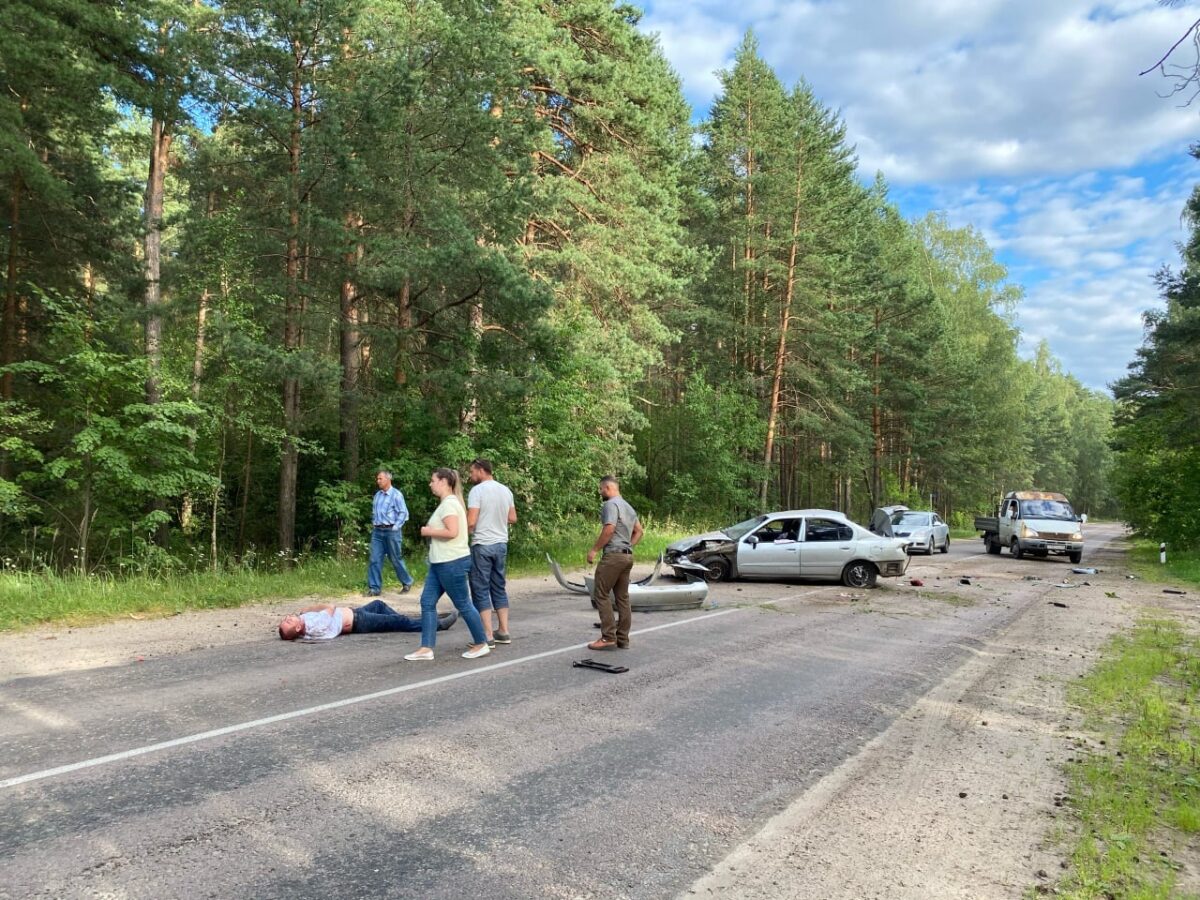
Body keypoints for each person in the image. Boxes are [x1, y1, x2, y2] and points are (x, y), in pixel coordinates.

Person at [404, 467, 492, 661]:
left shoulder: (450, 504)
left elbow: (452, 532)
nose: (430, 484)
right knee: (427, 602)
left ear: (443, 482)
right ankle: (426, 648)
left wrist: (428, 531)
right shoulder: (447, 503)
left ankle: (481, 642)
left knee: (463, 604)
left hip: (452, 562)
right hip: (439, 563)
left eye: (433, 480)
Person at [585, 475, 643, 651]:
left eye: (601, 489)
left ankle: (608, 637)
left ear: (608, 488)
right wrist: (627, 547)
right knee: (622, 598)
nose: (600, 492)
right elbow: (639, 531)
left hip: (613, 557)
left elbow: (609, 529)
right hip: (627, 557)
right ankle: (622, 639)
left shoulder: (610, 504)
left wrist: (594, 550)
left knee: (601, 594)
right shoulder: (628, 507)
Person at [467, 458, 517, 645]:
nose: (471, 476)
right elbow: (512, 517)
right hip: (501, 543)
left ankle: (487, 634)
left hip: (482, 544)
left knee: (480, 588)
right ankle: (503, 630)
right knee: (498, 586)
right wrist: (496, 518)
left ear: (481, 470)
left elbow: (471, 521)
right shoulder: (505, 490)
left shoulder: (476, 491)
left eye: (472, 472)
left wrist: (465, 532)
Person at [278, 600, 458, 641]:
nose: (287, 618)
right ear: (298, 627)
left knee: (380, 605)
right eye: (288, 622)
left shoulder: (303, 622)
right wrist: (314, 608)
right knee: (398, 621)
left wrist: (304, 612)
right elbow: (330, 608)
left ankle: (407, 622)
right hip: (359, 621)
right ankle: (437, 625)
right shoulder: (313, 626)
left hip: (356, 613)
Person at [367, 469, 414, 596]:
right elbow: (375, 513)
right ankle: (374, 588)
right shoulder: (377, 495)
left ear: (388, 479)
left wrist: (396, 527)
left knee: (395, 559)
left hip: (391, 531)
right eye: (377, 479)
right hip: (377, 531)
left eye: (380, 479)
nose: (378, 481)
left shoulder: (396, 495)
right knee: (374, 559)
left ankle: (407, 582)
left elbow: (404, 513)